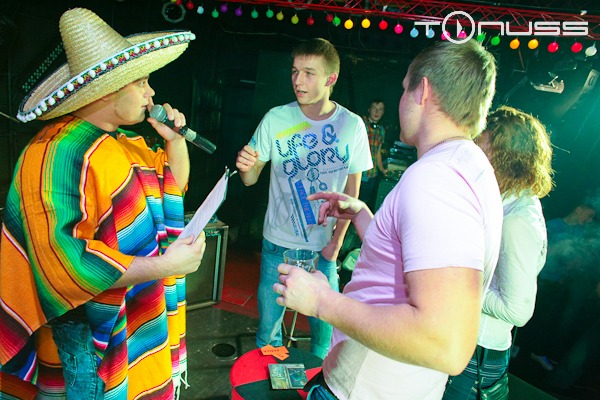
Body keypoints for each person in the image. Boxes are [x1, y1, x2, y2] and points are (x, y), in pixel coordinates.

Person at [274, 39, 502, 400]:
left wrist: (321, 301)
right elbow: (408, 264)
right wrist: (363, 216)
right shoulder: (469, 165)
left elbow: (444, 343)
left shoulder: (437, 180)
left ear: (423, 90)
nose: (400, 100)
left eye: (404, 88)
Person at [0, 8, 205, 399]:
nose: (151, 94)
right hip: (88, 335)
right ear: (108, 90)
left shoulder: (122, 145)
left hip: (126, 315)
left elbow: (173, 189)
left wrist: (176, 141)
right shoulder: (53, 154)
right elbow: (66, 264)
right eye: (142, 83)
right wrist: (165, 266)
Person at [235, 38, 372, 359]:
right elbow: (250, 179)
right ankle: (270, 377)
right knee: (269, 334)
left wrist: (337, 243)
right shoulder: (275, 118)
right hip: (278, 243)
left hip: (323, 246)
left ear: (330, 79)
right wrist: (246, 167)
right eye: (295, 71)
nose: (298, 80)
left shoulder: (351, 125)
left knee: (327, 333)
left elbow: (352, 192)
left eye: (309, 73)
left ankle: (322, 379)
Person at [442, 106, 555, 400]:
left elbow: (517, 310)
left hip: (477, 353)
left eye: (481, 146)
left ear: (504, 156)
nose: (473, 152)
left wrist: (453, 283)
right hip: (464, 340)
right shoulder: (505, 199)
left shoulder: (518, 219)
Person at [358, 99, 387, 209]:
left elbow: (378, 152)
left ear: (383, 113)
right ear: (369, 110)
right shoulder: (360, 124)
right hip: (358, 172)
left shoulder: (381, 130)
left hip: (372, 173)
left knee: (363, 203)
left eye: (380, 109)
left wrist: (382, 169)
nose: (377, 112)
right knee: (351, 201)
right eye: (374, 108)